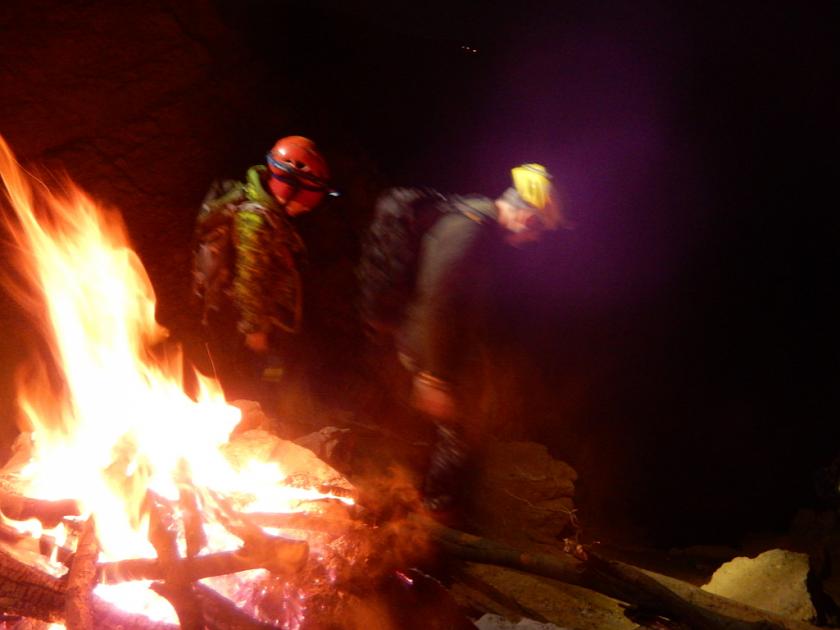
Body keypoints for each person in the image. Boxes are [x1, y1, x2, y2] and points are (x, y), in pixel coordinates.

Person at [357, 163, 567, 513]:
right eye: (540, 231)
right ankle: (429, 516)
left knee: (438, 433)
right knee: (455, 434)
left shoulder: (478, 225)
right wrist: (434, 377)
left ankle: (407, 512)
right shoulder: (469, 229)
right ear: (529, 219)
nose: (535, 240)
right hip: (424, 351)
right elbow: (437, 300)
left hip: (429, 349)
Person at [192, 135, 335, 393]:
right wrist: (254, 330)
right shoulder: (255, 220)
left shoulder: (266, 209)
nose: (306, 209)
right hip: (242, 321)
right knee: (252, 379)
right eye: (305, 202)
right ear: (288, 188)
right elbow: (249, 278)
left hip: (261, 314)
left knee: (269, 373)